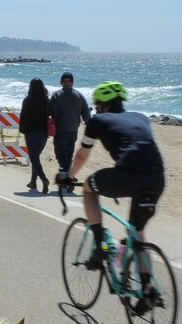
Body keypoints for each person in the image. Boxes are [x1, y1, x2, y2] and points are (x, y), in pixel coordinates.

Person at [57, 81, 166, 277]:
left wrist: (69, 176)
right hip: (157, 179)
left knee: (89, 188)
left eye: (97, 106)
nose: (97, 110)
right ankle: (148, 291)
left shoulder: (97, 121)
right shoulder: (141, 117)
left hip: (128, 176)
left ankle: (100, 244)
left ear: (101, 105)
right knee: (137, 234)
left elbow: (82, 155)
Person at [50, 72, 92, 186]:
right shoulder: (79, 96)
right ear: (72, 82)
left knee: (60, 155)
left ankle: (67, 177)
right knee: (68, 154)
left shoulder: (56, 95)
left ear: (61, 83)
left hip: (60, 130)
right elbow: (86, 115)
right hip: (73, 131)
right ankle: (69, 176)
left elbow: (50, 113)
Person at [18, 78, 52, 194]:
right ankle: (33, 181)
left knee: (34, 158)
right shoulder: (47, 100)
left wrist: (22, 130)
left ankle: (44, 179)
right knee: (35, 158)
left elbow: (23, 116)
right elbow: (52, 115)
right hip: (43, 133)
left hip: (31, 133)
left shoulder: (27, 101)